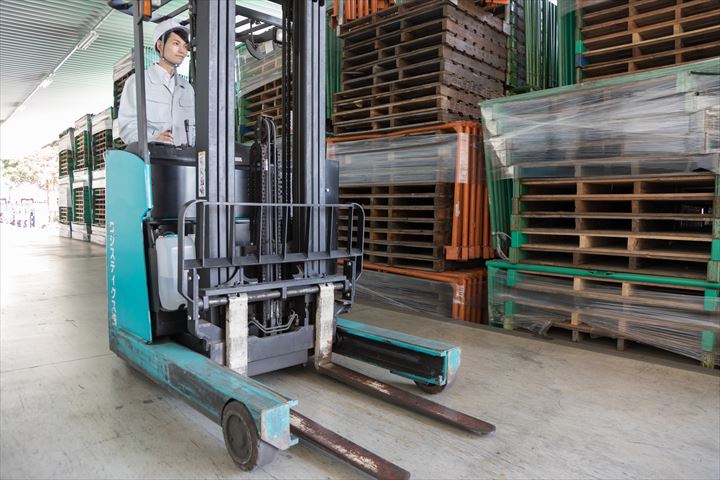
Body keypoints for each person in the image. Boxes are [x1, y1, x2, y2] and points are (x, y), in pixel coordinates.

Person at [118, 19, 195, 147]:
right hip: (152, 155)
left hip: (184, 157)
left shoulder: (187, 88)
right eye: (176, 43)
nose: (182, 51)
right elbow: (127, 127)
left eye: (185, 46)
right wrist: (153, 138)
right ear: (160, 46)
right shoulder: (138, 82)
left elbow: (194, 128)